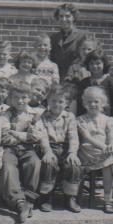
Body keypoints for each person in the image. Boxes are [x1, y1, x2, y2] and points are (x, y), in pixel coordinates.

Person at [0, 81, 51, 223]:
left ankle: (29, 198)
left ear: (29, 97)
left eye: (23, 97)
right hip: (10, 149)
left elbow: (37, 136)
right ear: (11, 99)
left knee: (34, 163)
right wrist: (25, 136)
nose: (20, 101)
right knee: (8, 166)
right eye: (16, 98)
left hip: (28, 149)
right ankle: (18, 201)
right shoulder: (6, 114)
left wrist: (18, 133)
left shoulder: (34, 114)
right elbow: (5, 137)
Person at [38, 85, 82, 213]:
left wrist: (73, 153)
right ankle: (47, 197)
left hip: (66, 147)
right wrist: (47, 151)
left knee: (73, 165)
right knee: (49, 163)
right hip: (49, 147)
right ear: (48, 101)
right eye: (53, 101)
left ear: (66, 103)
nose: (56, 104)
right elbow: (43, 135)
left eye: (60, 101)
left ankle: (70, 197)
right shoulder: (43, 116)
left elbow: (73, 136)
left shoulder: (69, 117)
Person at [77, 50, 113, 123]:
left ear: (104, 64)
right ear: (88, 65)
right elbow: (80, 105)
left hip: (105, 121)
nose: (94, 66)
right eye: (91, 63)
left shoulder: (110, 82)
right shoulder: (84, 83)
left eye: (98, 63)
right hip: (87, 122)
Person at [50, 3, 88, 79]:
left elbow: (89, 59)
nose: (64, 19)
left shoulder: (83, 36)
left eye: (67, 16)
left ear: (73, 17)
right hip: (58, 80)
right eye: (61, 16)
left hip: (77, 79)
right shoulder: (53, 38)